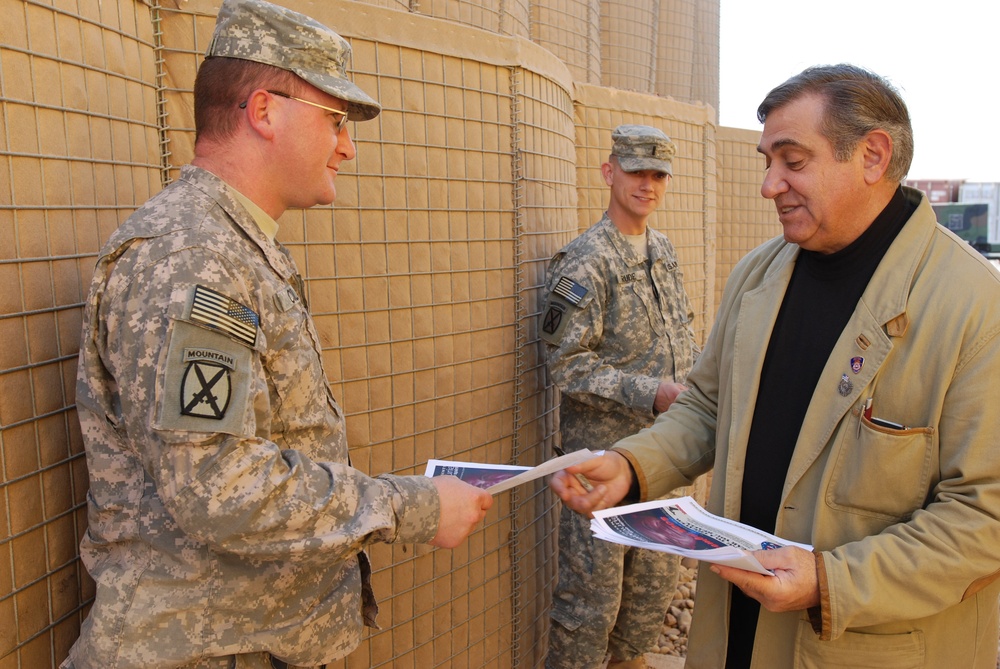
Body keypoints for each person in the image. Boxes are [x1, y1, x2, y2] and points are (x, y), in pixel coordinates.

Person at [63, 1, 493, 667]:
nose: (347, 145)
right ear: (264, 111)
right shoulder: (190, 256)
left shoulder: (231, 246)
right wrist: (411, 506)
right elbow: (218, 481)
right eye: (335, 120)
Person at [550, 64, 1000, 669]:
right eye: (768, 162)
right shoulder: (760, 274)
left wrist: (829, 580)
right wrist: (633, 464)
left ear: (872, 155)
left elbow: (985, 515)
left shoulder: (973, 307)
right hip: (737, 623)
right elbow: (708, 406)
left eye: (792, 161)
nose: (769, 185)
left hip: (858, 643)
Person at [539, 125, 699, 669]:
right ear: (610, 173)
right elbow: (564, 364)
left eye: (658, 175)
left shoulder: (663, 251)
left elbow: (680, 338)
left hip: (663, 457)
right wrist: (652, 392)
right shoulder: (585, 262)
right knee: (590, 604)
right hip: (600, 458)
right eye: (636, 172)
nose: (647, 185)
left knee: (651, 591)